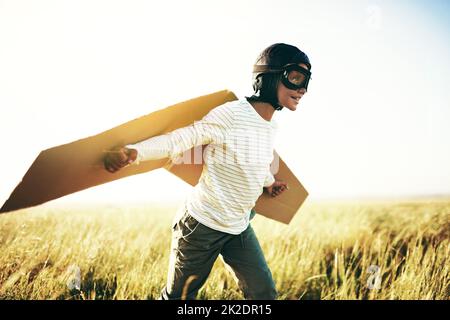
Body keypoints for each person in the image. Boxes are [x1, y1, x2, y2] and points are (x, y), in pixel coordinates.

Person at [103, 43, 312, 300]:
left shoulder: (270, 126)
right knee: (178, 299)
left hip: (238, 226)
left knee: (264, 294)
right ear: (269, 77)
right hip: (202, 226)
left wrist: (268, 183)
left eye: (306, 81)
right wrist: (134, 153)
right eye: (296, 78)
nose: (302, 88)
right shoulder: (231, 115)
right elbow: (181, 139)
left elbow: (257, 160)